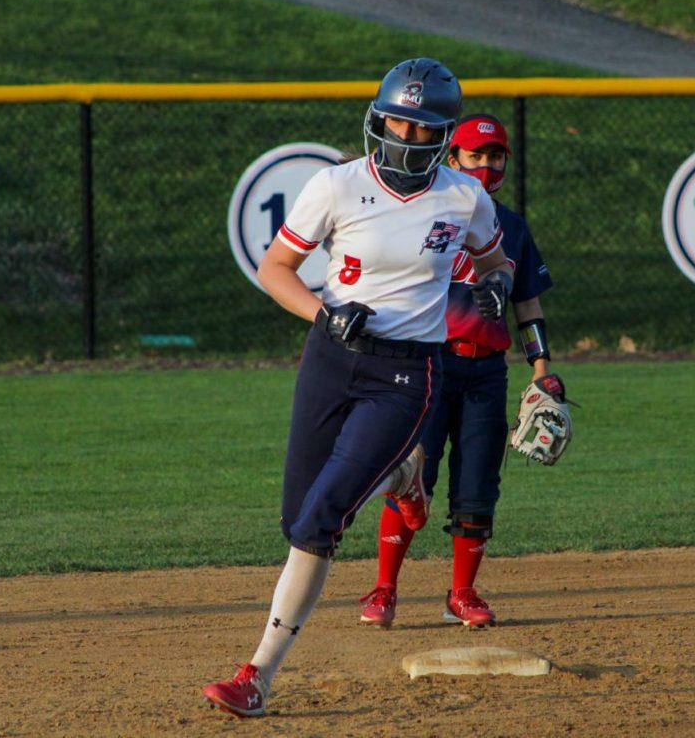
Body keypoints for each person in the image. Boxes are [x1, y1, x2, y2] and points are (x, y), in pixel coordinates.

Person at [201, 59, 515, 719]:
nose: (403, 132)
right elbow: (276, 267)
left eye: (419, 124)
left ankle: (256, 674)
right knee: (297, 517)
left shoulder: (464, 197)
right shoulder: (337, 185)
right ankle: (400, 471)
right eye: (395, 117)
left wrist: (496, 284)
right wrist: (322, 310)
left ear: (442, 134)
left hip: (405, 372)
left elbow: (496, 259)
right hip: (331, 358)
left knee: (319, 522)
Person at [358, 113, 562, 629]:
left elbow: (528, 306)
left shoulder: (511, 228)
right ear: (452, 159)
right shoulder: (429, 217)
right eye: (475, 156)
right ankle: (383, 589)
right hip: (430, 365)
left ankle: (462, 594)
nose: (486, 167)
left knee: (477, 486)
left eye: (495, 158)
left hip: (486, 375)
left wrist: (542, 370)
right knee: (412, 477)